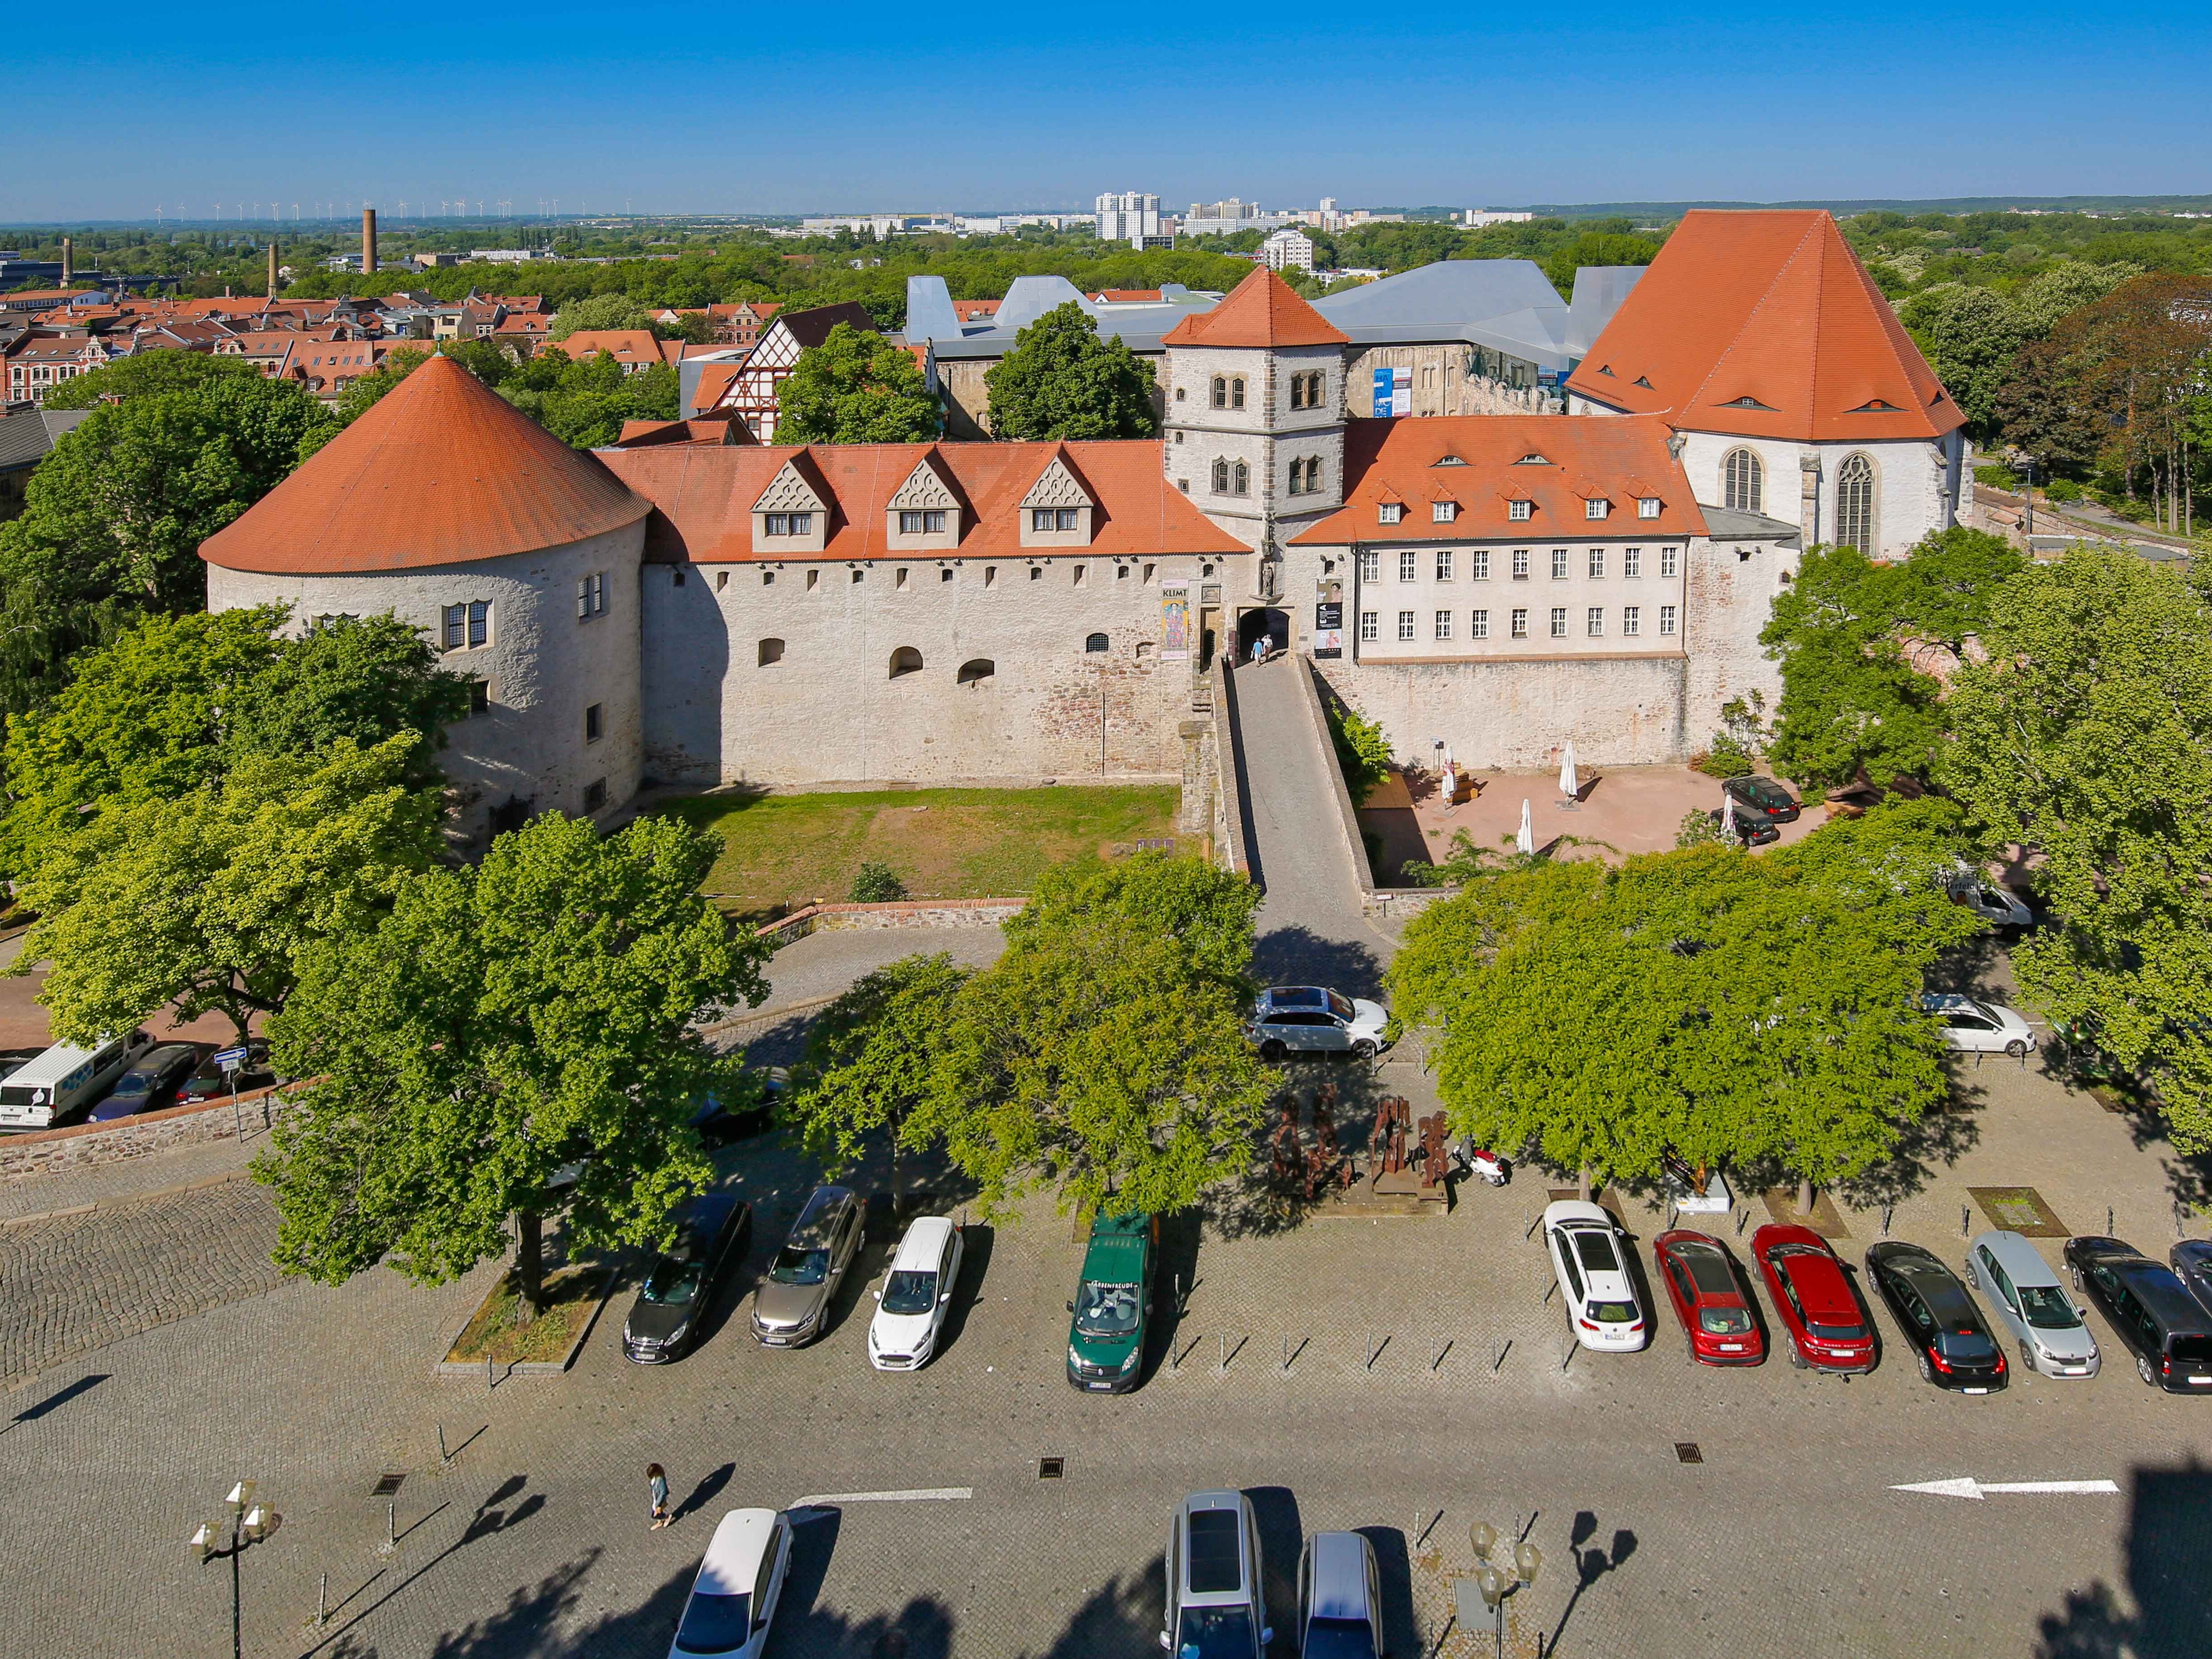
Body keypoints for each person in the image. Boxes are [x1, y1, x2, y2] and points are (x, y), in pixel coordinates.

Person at [648, 1463, 670, 1529]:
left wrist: (658, 1505)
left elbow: (663, 1492)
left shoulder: (661, 1480)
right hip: (656, 1498)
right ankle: (660, 1522)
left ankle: (667, 1517)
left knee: (655, 1514)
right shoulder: (657, 1478)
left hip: (660, 1500)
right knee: (656, 1512)